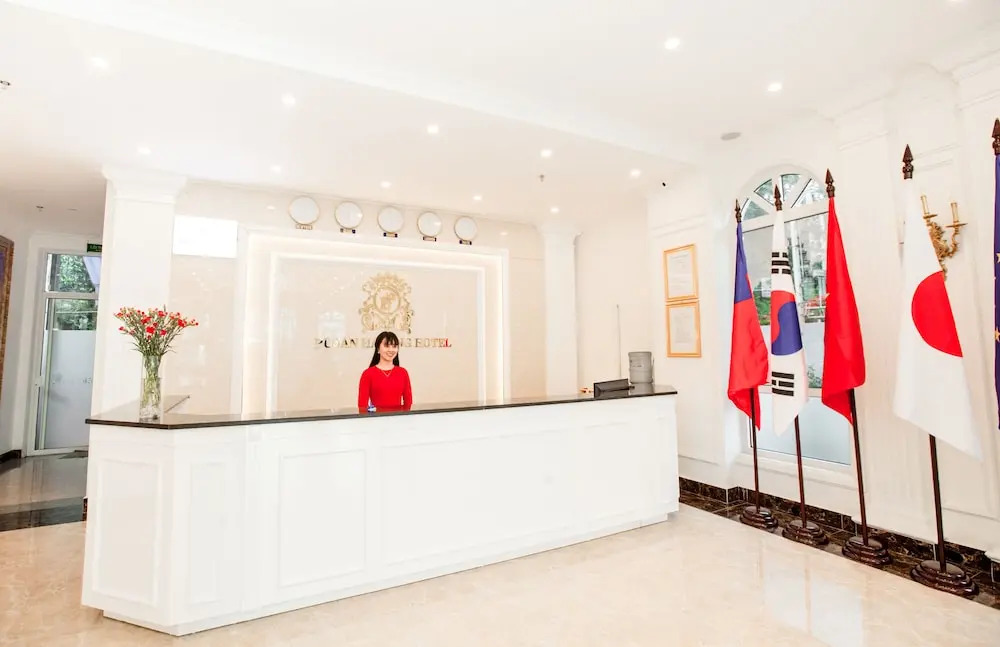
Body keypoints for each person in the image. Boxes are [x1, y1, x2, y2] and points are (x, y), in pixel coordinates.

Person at [357, 331, 413, 411]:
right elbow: (362, 406)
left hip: (399, 418)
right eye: (386, 346)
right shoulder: (368, 374)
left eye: (394, 346)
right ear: (378, 349)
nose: (391, 350)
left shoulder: (403, 373)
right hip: (376, 418)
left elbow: (408, 403)